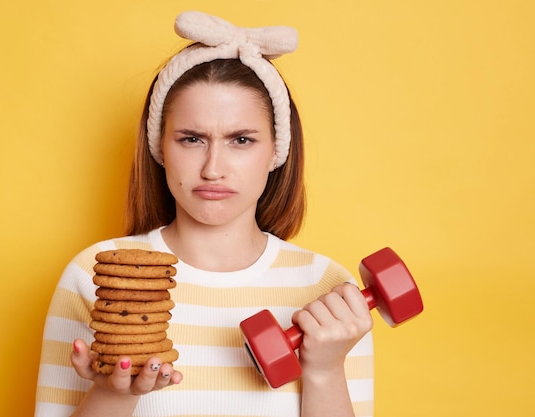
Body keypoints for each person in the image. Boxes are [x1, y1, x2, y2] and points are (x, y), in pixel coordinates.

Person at [35, 11, 374, 417]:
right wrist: (115, 395)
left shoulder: (331, 293)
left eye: (241, 140)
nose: (213, 167)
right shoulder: (93, 277)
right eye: (192, 139)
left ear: (276, 153)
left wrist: (324, 370)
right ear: (161, 148)